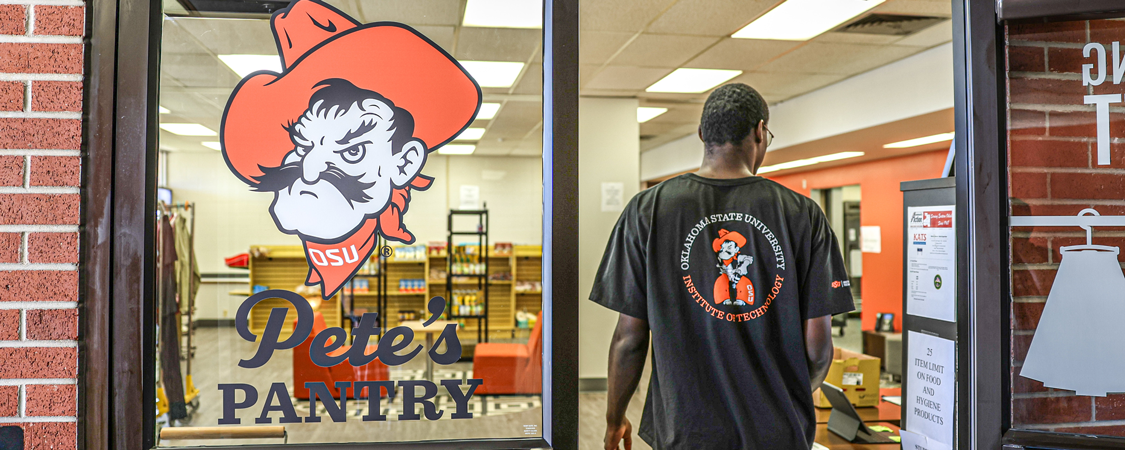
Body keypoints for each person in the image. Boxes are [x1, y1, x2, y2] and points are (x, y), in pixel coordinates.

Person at [591, 83, 854, 449]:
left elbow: (629, 339)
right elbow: (818, 348)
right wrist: (781, 400)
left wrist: (614, 419)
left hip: (684, 431)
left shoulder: (647, 210)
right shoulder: (803, 215)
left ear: (702, 134)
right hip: (777, 434)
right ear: (760, 132)